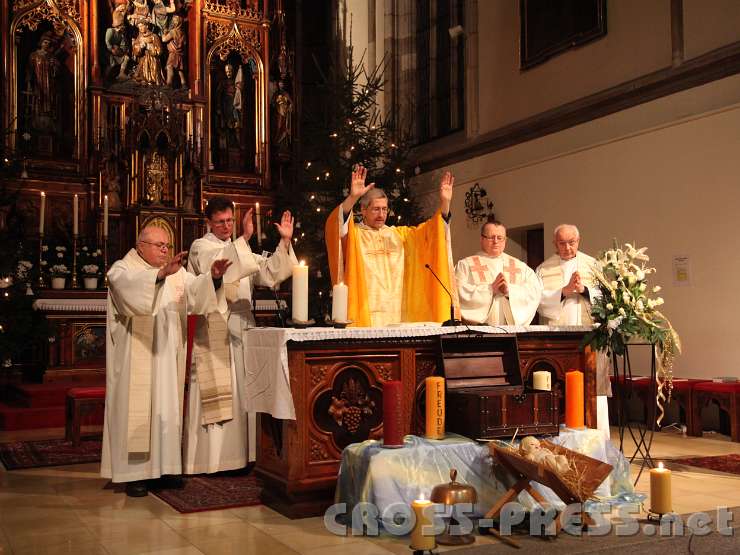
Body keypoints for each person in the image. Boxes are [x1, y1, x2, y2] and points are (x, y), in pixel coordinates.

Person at [101, 225, 231, 497]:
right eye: (158, 245)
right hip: (137, 359)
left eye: (167, 245)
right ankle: (136, 475)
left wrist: (213, 278)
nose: (164, 250)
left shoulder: (177, 272)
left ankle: (166, 468)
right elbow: (129, 292)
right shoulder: (123, 269)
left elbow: (196, 293)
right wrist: (159, 275)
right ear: (140, 246)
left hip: (168, 357)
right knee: (139, 412)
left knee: (167, 409)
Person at [184, 196, 297, 473]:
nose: (226, 226)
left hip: (242, 327)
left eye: (230, 221)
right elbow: (222, 266)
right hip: (214, 329)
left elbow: (269, 273)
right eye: (220, 221)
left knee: (242, 393)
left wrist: (284, 242)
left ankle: (244, 457)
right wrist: (244, 239)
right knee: (221, 393)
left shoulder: (240, 249)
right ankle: (212, 461)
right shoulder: (201, 247)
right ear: (208, 222)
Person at [325, 165, 456, 327]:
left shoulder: (400, 236)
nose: (381, 215)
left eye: (384, 209)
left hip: (398, 314)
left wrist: (445, 203)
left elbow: (432, 232)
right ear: (363, 210)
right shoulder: (355, 235)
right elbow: (336, 227)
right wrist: (352, 198)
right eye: (376, 209)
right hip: (366, 313)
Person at [536, 224, 611, 439]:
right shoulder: (544, 269)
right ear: (554, 244)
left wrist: (583, 290)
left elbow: (607, 299)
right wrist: (564, 291)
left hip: (591, 339)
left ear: (579, 241)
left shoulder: (593, 265)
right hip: (559, 341)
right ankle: (559, 436)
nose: (568, 247)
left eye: (572, 242)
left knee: (593, 387)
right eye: (562, 243)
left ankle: (599, 438)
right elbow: (538, 302)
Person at [456, 220, 542, 325]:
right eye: (491, 237)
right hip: (478, 332)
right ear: (482, 239)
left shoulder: (520, 266)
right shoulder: (465, 265)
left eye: (500, 238)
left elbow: (535, 291)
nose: (496, 241)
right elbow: (457, 294)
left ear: (505, 240)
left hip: (510, 331)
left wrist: (509, 291)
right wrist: (490, 290)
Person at [26, 32, 60, 133]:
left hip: (49, 84)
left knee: (49, 101)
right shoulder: (34, 55)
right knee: (38, 99)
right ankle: (37, 118)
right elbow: (29, 70)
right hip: (38, 82)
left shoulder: (51, 57)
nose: (46, 44)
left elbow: (56, 71)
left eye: (48, 43)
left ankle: (48, 117)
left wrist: (54, 66)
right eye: (45, 42)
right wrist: (28, 82)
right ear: (41, 43)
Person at [161, 15, 186, 88]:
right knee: (179, 69)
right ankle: (184, 84)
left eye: (175, 21)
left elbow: (164, 39)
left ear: (178, 22)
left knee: (169, 67)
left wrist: (164, 33)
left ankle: (169, 84)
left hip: (173, 53)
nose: (173, 22)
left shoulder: (173, 32)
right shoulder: (183, 33)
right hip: (180, 53)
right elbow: (184, 44)